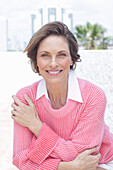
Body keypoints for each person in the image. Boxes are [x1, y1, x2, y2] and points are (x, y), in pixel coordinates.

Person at [11, 21, 113, 170]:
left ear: (72, 58)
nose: (53, 63)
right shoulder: (25, 98)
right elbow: (21, 160)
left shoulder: (93, 96)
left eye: (61, 55)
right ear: (36, 60)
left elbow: (83, 159)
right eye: (45, 55)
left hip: (99, 164)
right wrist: (65, 166)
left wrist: (36, 126)